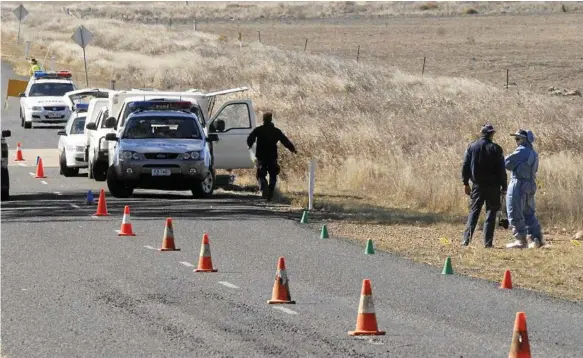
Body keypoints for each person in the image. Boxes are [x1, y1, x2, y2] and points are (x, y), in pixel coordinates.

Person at [461, 124, 508, 248]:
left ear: (482, 133)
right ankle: (487, 243)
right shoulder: (496, 148)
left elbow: (465, 166)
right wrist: (504, 186)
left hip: (477, 186)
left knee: (474, 212)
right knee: (491, 213)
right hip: (493, 187)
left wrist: (465, 183)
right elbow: (501, 170)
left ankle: (465, 240)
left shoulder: (472, 147)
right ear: (492, 134)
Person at [504, 129, 544, 249]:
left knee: (514, 211)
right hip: (530, 184)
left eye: (518, 139)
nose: (516, 141)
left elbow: (507, 163)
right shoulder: (533, 153)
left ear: (525, 139)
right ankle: (536, 239)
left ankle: (520, 240)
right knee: (529, 213)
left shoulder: (521, 151)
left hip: (518, 183)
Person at [246, 112, 297, 201]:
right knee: (273, 174)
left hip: (261, 157)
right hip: (272, 157)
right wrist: (292, 149)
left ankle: (263, 187)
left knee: (261, 174)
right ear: (271, 119)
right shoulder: (276, 131)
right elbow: (285, 141)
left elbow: (250, 138)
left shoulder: (259, 130)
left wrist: (249, 145)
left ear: (263, 120)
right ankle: (270, 193)